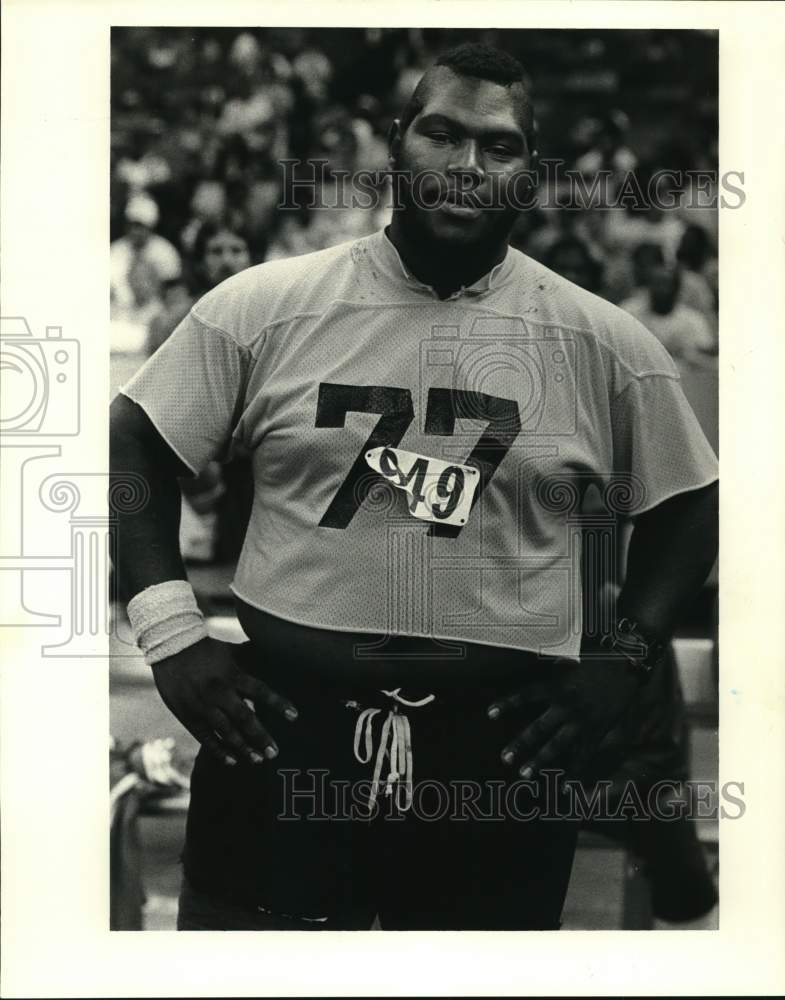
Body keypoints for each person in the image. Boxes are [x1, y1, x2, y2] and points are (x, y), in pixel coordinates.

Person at [110, 42, 719, 931]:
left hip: (502, 752)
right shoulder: (266, 305)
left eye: (498, 146)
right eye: (441, 133)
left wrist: (619, 661)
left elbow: (690, 502)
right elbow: (137, 440)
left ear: (530, 171)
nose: (466, 167)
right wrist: (169, 632)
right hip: (282, 732)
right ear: (396, 142)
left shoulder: (605, 343)